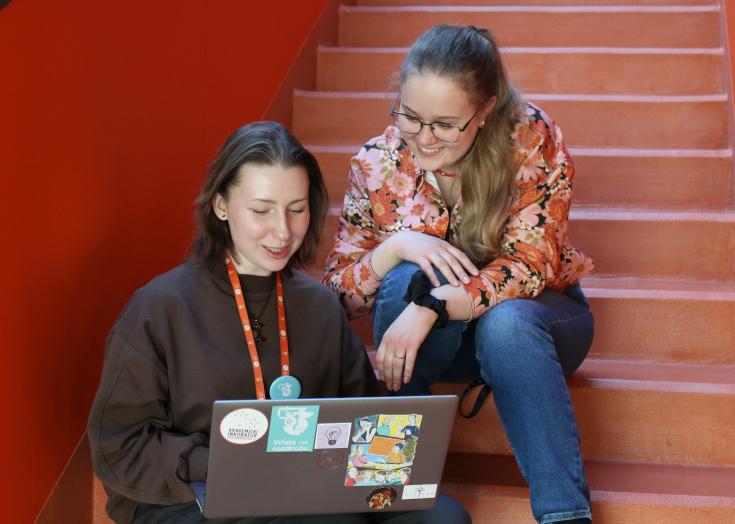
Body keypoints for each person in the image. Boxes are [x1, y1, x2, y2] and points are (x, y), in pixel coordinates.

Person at [88, 122, 470, 524]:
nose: (283, 231)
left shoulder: (320, 306)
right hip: (196, 497)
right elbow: (121, 448)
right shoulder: (159, 308)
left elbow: (359, 419)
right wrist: (234, 463)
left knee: (443, 518)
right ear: (221, 205)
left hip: (308, 490)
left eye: (297, 209)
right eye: (261, 210)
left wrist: (397, 449)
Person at [324, 25, 594, 524]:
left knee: (506, 323)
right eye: (409, 116)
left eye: (445, 124)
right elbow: (338, 297)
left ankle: (565, 516)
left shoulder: (532, 141)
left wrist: (434, 305)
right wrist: (395, 247)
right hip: (424, 349)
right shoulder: (376, 163)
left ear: (485, 109)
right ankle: (387, 494)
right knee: (404, 274)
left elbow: (531, 265)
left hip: (538, 327)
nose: (424, 139)